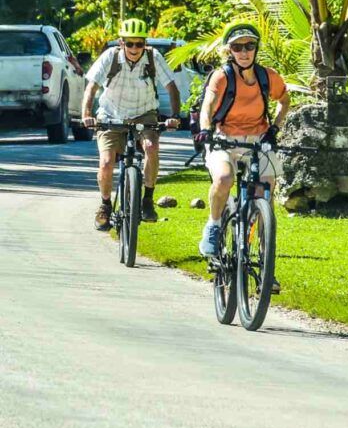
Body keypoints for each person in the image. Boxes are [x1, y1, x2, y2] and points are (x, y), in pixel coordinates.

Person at [196, 22, 290, 280]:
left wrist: (274, 128)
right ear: (230, 51)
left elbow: (284, 100)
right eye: (238, 47)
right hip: (224, 137)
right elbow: (209, 105)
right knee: (225, 178)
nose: (244, 52)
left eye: (249, 46)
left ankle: (263, 256)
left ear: (256, 49)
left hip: (259, 138)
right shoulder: (222, 76)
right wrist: (205, 129)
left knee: (266, 188)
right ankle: (214, 226)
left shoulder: (267, 76)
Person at [81, 18, 181, 231]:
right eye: (130, 43)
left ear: (145, 44)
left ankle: (147, 199)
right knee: (107, 162)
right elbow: (91, 87)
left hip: (144, 114)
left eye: (139, 43)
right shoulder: (110, 57)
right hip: (111, 115)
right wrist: (86, 114)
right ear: (121, 42)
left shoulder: (154, 58)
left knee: (151, 148)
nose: (135, 48)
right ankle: (105, 205)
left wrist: (174, 116)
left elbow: (172, 87)